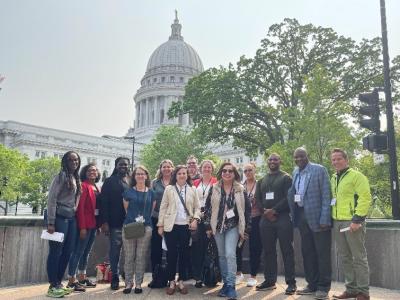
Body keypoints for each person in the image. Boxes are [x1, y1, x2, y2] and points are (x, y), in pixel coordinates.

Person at [288, 147, 332, 300]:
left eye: (301, 156)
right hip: (301, 217)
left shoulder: (319, 170)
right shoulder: (295, 172)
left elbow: (327, 195)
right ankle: (311, 284)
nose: (299, 159)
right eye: (296, 157)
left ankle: (323, 287)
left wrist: (325, 219)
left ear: (307, 156)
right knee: (307, 253)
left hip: (318, 219)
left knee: (322, 254)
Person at [205, 162, 251, 300]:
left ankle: (231, 285)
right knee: (222, 255)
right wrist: (208, 227)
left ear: (234, 173)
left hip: (233, 226)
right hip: (217, 226)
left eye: (230, 171)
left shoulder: (240, 189)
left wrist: (247, 228)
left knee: (230, 254)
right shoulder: (214, 188)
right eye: (224, 171)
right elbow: (207, 208)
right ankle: (225, 283)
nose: (227, 173)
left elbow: (247, 210)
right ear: (221, 172)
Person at [330, 149, 371, 300]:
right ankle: (351, 289)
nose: (335, 162)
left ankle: (363, 292)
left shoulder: (357, 176)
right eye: (333, 160)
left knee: (359, 257)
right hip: (337, 221)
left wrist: (357, 219)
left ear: (346, 160)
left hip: (352, 222)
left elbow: (365, 197)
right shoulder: (334, 178)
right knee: (345, 257)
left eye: (338, 159)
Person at [255, 154, 296, 294]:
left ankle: (291, 283)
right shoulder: (261, 180)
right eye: (270, 160)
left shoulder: (286, 178)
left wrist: (275, 210)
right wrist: (265, 212)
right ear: (267, 162)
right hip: (265, 220)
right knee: (268, 251)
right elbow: (257, 198)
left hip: (283, 218)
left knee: (287, 251)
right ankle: (269, 280)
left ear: (280, 161)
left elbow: (288, 197)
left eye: (275, 159)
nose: (272, 161)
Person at [157, 165, 201, 295]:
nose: (182, 175)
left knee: (184, 254)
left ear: (187, 175)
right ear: (175, 175)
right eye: (179, 173)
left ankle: (181, 280)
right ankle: (171, 281)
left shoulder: (193, 189)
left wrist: (195, 219)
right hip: (171, 226)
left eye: (184, 173)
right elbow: (163, 207)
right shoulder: (169, 189)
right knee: (171, 255)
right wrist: (160, 225)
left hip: (186, 227)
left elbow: (197, 208)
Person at [46, 151, 81, 298]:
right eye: (70, 160)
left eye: (76, 160)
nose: (74, 162)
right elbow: (52, 199)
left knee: (68, 252)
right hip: (58, 218)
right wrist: (51, 222)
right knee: (56, 252)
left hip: (71, 219)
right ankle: (53, 285)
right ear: (65, 162)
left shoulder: (75, 177)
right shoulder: (60, 177)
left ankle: (59, 283)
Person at [67, 163, 101, 291]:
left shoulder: (96, 187)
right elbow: (80, 208)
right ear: (85, 173)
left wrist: (97, 226)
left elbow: (97, 209)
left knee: (86, 252)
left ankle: (82, 278)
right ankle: (71, 280)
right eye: (90, 170)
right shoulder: (84, 186)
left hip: (93, 225)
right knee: (77, 252)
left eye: (95, 170)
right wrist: (82, 227)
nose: (93, 172)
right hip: (84, 225)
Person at [121, 165, 155, 294]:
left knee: (141, 257)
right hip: (129, 226)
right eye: (138, 174)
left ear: (146, 176)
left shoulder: (151, 193)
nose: (140, 176)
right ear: (134, 177)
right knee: (129, 256)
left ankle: (139, 284)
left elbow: (151, 210)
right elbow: (126, 209)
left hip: (146, 228)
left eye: (142, 174)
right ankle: (128, 283)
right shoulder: (128, 191)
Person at [100, 157, 131, 290]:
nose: (123, 166)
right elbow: (103, 203)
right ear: (116, 165)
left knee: (129, 252)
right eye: (121, 164)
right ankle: (115, 277)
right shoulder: (109, 181)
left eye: (126, 164)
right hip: (114, 223)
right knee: (115, 252)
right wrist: (104, 222)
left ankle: (127, 274)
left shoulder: (132, 181)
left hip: (131, 223)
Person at [235, 163, 263, 288]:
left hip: (257, 219)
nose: (247, 172)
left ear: (254, 170)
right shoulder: (241, 186)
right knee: (238, 247)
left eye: (250, 170)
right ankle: (238, 273)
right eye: (245, 171)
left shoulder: (260, 185)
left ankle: (253, 276)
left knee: (255, 247)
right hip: (243, 220)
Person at [148, 159, 174, 288]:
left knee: (171, 250)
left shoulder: (176, 183)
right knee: (156, 249)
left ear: (172, 168)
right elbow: (150, 200)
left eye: (168, 167)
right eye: (164, 167)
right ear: (161, 169)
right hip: (156, 219)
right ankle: (156, 277)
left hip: (172, 220)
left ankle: (170, 278)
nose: (166, 169)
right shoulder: (154, 183)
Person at [192, 160, 218, 288]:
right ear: (200, 169)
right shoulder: (195, 183)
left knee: (212, 249)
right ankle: (198, 277)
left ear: (212, 169)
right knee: (198, 249)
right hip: (198, 219)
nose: (206, 169)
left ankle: (211, 276)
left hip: (212, 219)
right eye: (204, 167)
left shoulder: (216, 182)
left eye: (209, 167)